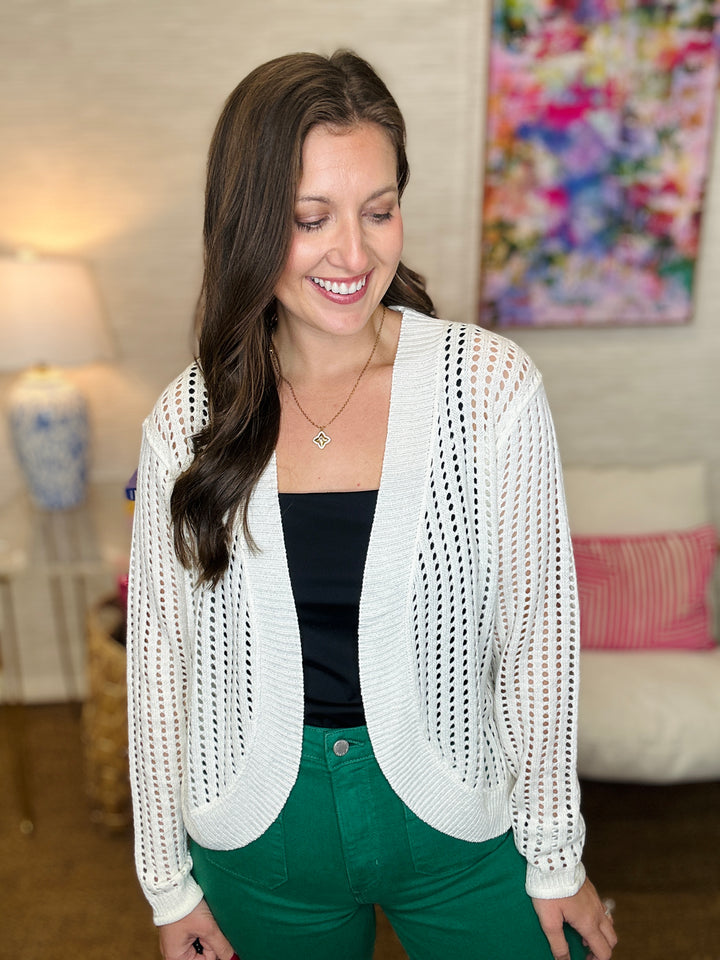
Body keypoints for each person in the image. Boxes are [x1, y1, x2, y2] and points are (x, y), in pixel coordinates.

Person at [126, 49, 618, 960]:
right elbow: (162, 671)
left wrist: (555, 855)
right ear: (246, 224)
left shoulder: (487, 387)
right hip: (258, 840)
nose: (353, 254)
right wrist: (167, 883)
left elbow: (538, 634)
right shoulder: (188, 420)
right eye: (310, 219)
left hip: (463, 824)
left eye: (379, 211)